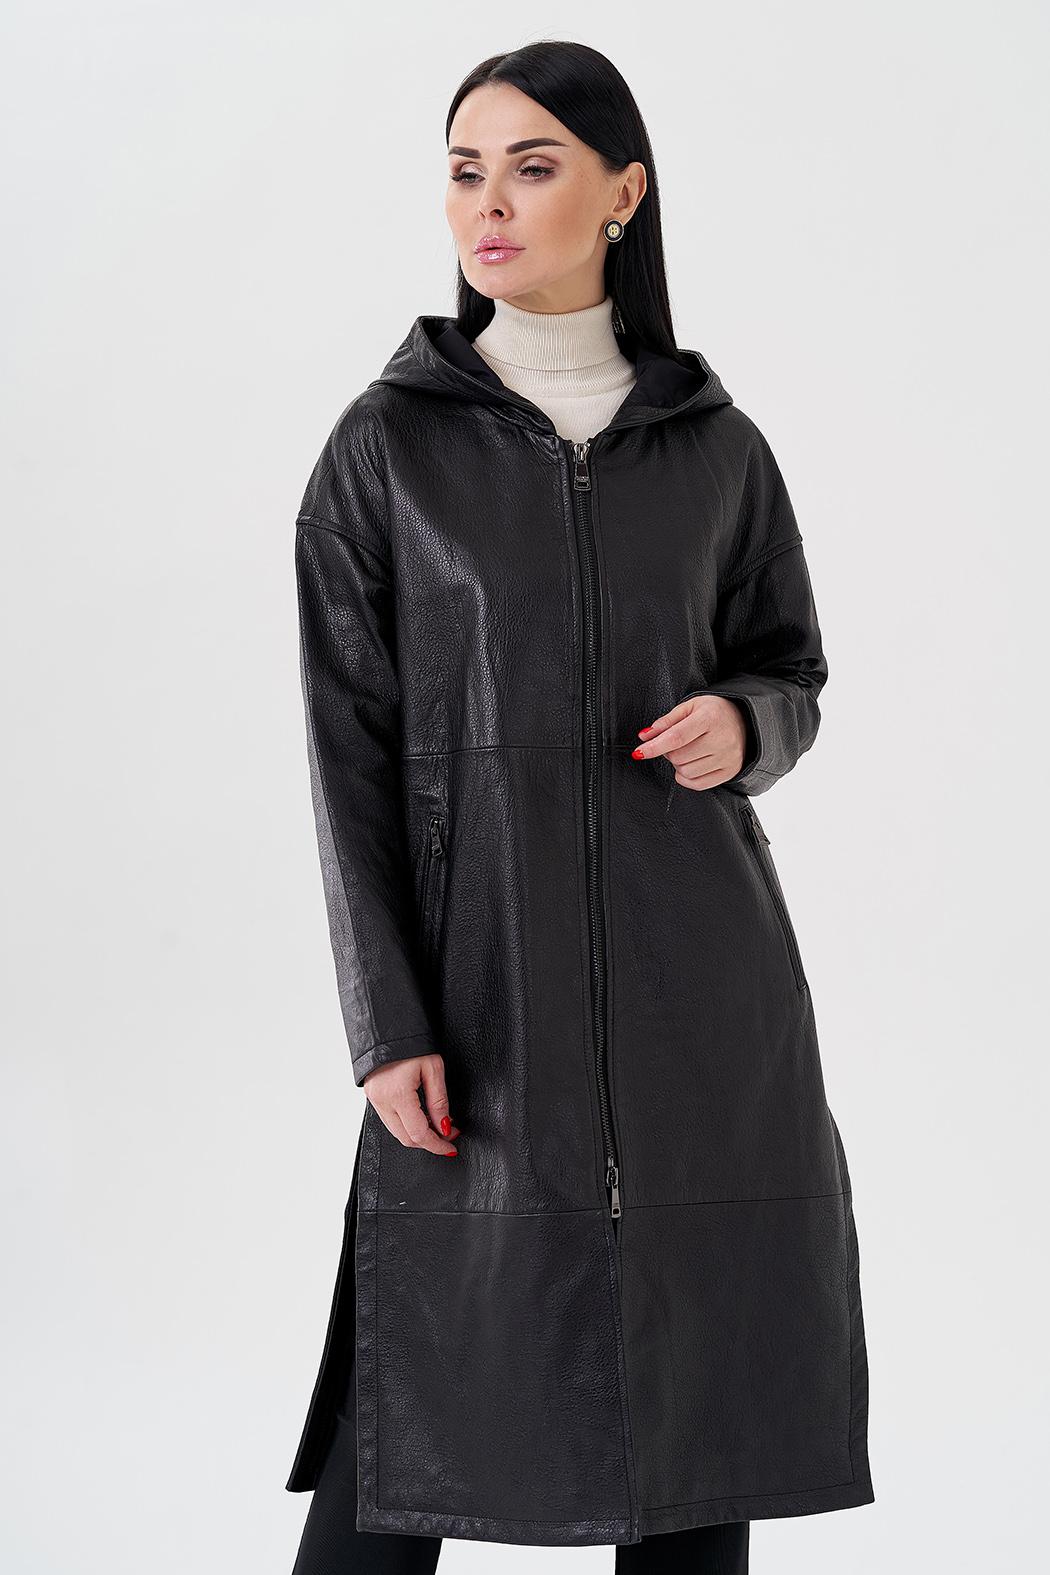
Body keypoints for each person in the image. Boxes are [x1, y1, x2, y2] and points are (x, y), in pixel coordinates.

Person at [286, 40, 874, 1575]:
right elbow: (348, 758)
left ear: (622, 194)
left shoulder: (715, 448)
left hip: (706, 1004)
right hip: (482, 995)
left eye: (531, 166)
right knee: (407, 1406)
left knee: (696, 1412)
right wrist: (387, 1023)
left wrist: (744, 722)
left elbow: (789, 669)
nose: (486, 203)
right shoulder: (383, 450)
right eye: (464, 170)